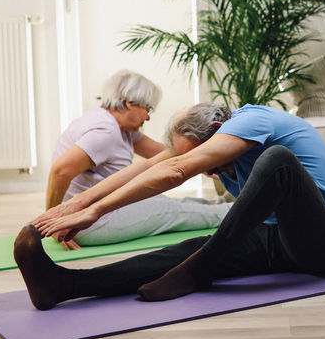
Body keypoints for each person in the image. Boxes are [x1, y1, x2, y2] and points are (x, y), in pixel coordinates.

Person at [14, 102, 325, 311]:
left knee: (278, 161)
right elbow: (146, 167)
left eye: (200, 156)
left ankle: (199, 270)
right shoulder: (215, 136)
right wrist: (81, 202)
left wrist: (97, 213)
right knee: (180, 251)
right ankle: (64, 286)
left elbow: (177, 170)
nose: (204, 169)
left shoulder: (252, 121)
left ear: (217, 129)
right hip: (276, 241)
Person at [46, 70, 232, 251]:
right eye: (148, 108)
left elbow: (170, 154)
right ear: (130, 103)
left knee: (162, 199)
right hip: (89, 224)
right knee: (168, 209)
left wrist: (213, 164)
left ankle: (222, 202)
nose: (148, 117)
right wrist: (54, 222)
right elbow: (60, 171)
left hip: (100, 211)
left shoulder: (118, 127)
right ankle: (236, 211)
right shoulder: (105, 131)